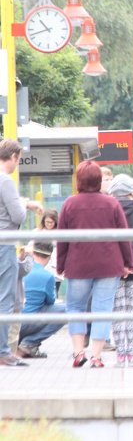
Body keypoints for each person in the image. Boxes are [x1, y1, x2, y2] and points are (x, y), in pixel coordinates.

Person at [57, 160, 133, 368]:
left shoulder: (69, 204)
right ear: (99, 179)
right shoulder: (112, 203)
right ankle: (97, 356)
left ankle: (78, 352)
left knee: (75, 307)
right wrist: (128, 262)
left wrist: (60, 264)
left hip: (78, 265)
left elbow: (62, 238)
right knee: (103, 308)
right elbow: (124, 236)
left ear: (79, 179)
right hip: (109, 265)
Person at [0, 139, 44, 367]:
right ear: (14, 157)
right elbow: (17, 217)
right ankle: (3, 351)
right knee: (5, 299)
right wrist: (25, 208)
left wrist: (25, 203)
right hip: (4, 243)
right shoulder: (6, 180)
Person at [108, 174, 133, 367]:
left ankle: (120, 355)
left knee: (117, 310)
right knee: (132, 309)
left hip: (113, 265)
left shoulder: (109, 209)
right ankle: (131, 355)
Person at [16, 242, 65, 358]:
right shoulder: (47, 276)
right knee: (67, 310)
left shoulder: (17, 269)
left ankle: (16, 344)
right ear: (49, 257)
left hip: (10, 322)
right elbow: (50, 301)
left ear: (33, 253)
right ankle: (29, 343)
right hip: (28, 323)